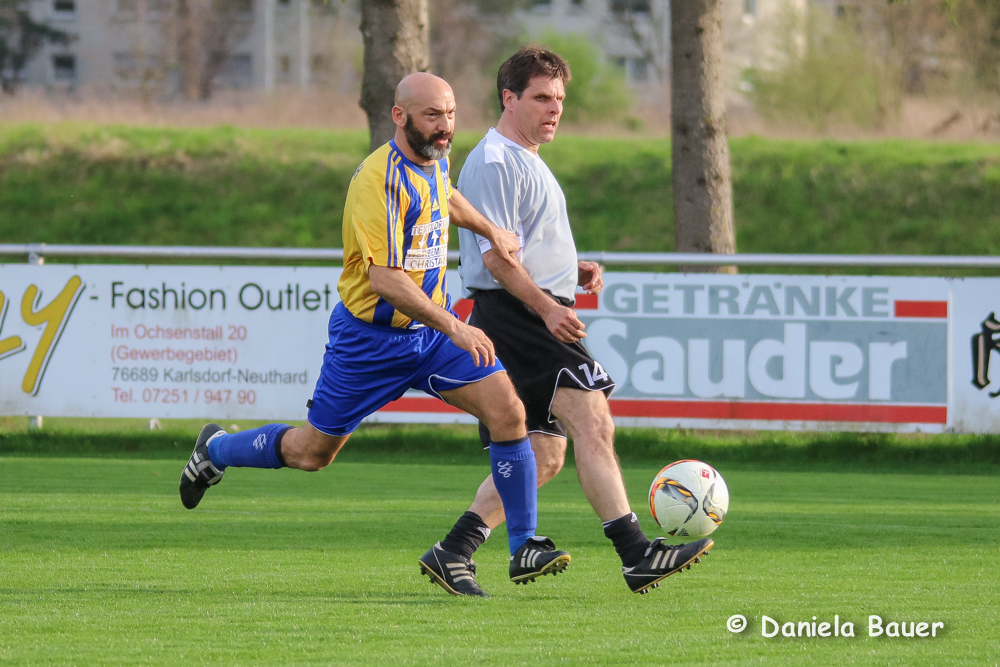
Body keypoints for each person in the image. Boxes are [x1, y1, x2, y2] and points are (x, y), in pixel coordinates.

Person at [179, 72, 570, 598]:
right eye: (433, 116)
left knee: (509, 412)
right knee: (313, 452)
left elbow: (444, 196)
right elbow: (385, 281)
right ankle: (218, 449)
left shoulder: (433, 156)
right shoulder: (377, 180)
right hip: (369, 341)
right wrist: (455, 324)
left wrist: (489, 229)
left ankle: (523, 544)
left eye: (451, 114)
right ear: (399, 115)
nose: (446, 126)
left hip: (428, 335)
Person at [435, 47, 713, 595]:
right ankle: (637, 554)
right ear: (508, 98)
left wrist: (570, 269)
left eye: (559, 98)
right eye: (541, 97)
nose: (554, 108)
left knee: (541, 454)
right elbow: (494, 259)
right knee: (593, 423)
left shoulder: (525, 158)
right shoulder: (494, 161)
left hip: (525, 309)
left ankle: (454, 551)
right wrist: (548, 306)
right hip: (518, 316)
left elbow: (520, 244)